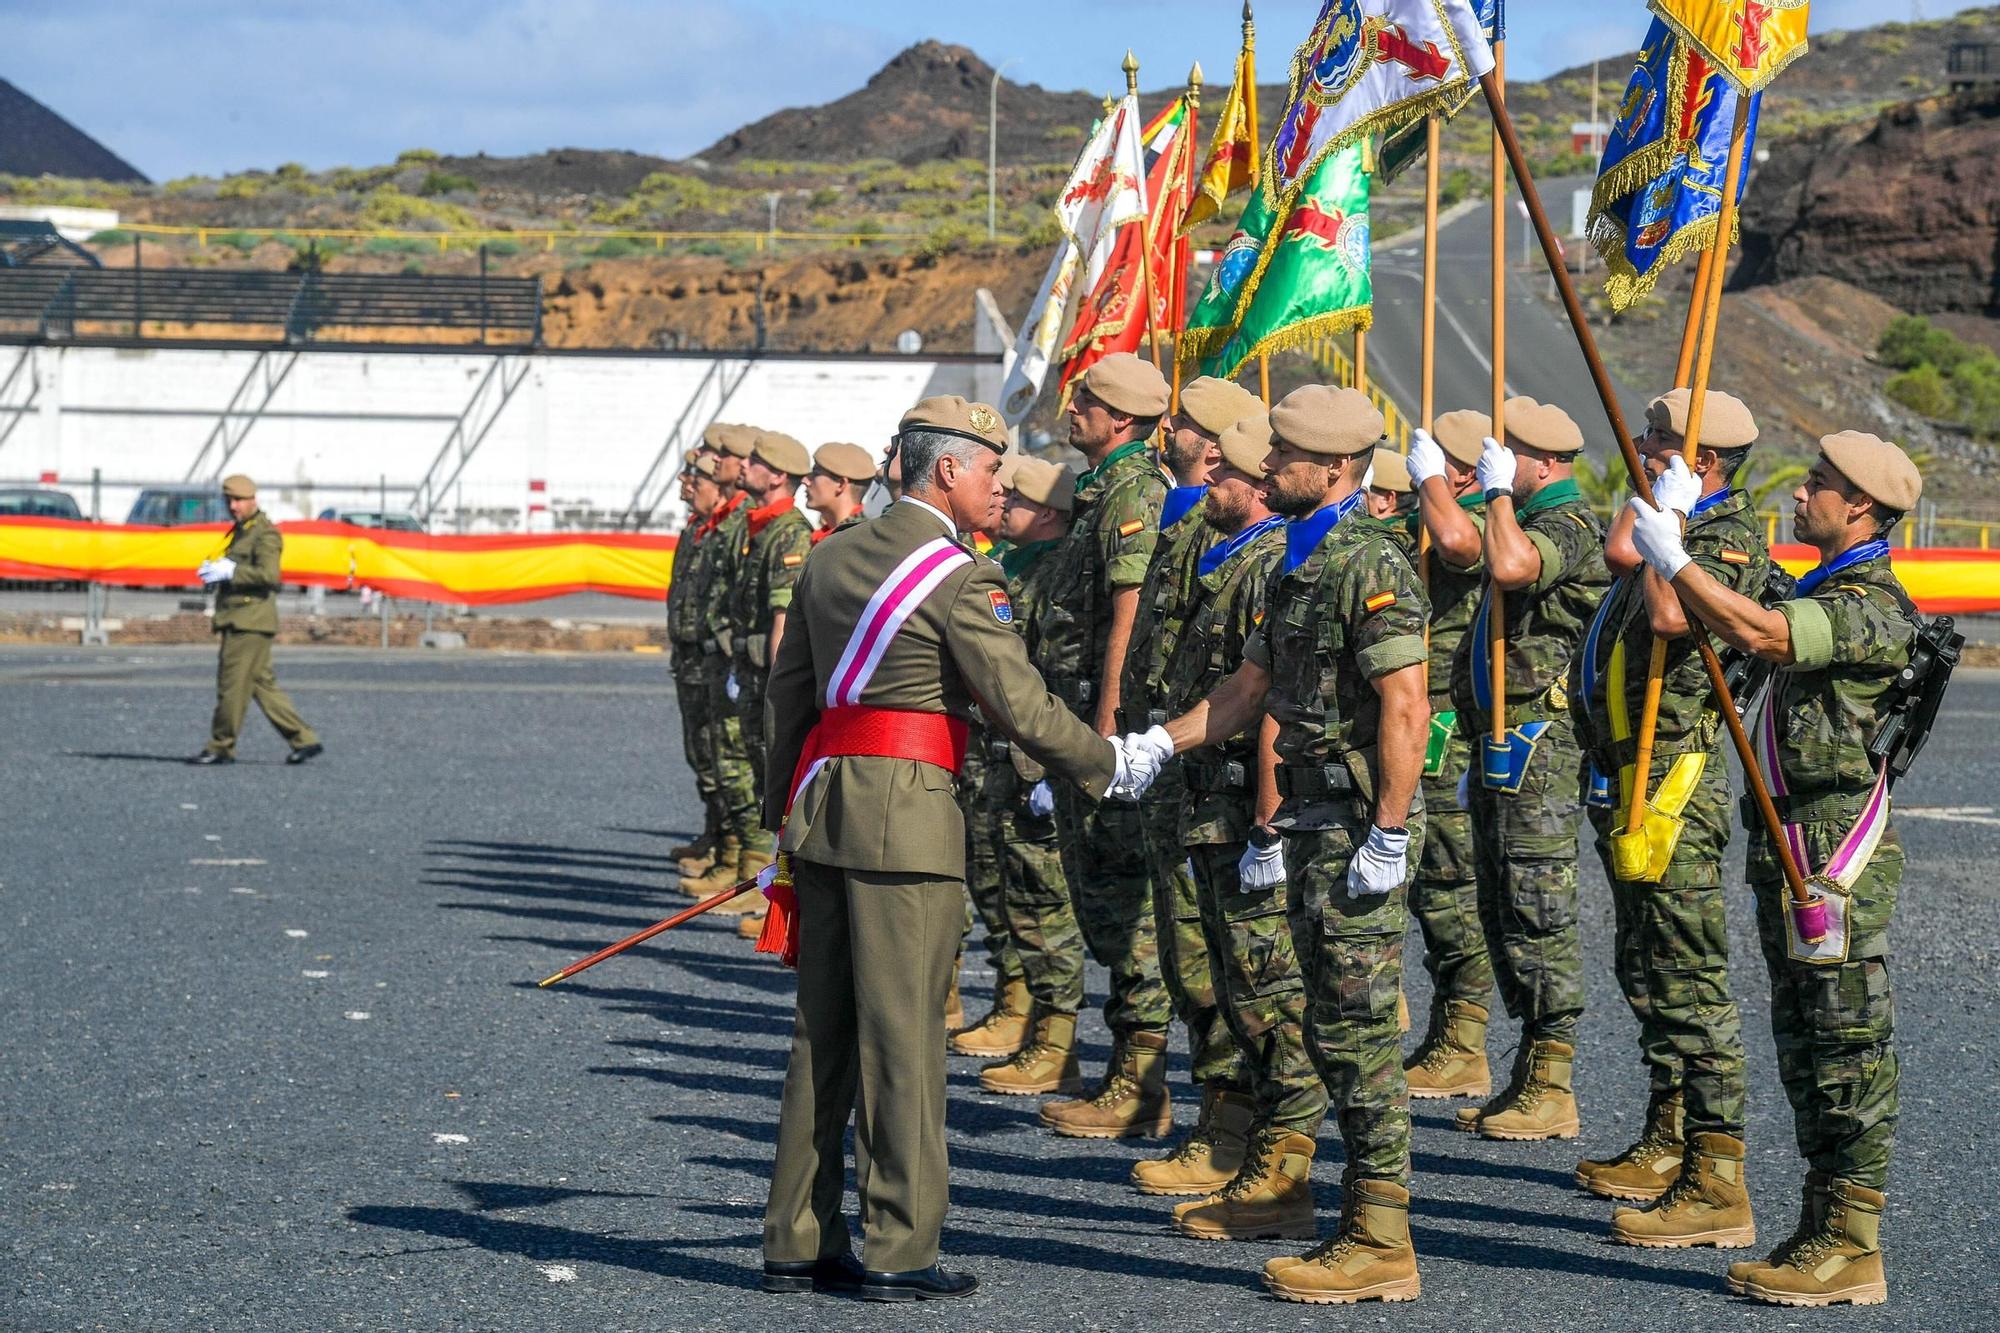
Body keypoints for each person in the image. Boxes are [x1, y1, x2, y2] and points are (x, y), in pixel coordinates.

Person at [758, 395, 1151, 1302]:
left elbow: (791, 703)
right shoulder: (960, 577)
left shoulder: (828, 557)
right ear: (946, 470)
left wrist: (787, 817)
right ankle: (899, 1246)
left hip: (825, 814)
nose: (999, 484)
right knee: (903, 1041)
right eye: (990, 468)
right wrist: (1110, 764)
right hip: (910, 821)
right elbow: (1023, 707)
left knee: (823, 1034)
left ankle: (796, 1235)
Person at [1125, 385, 1432, 1303]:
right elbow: (1248, 689)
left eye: (1285, 459)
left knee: (1361, 1033)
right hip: (1309, 823)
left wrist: (1388, 829)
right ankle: (1318, 1201)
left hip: (1348, 827)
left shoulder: (1370, 561)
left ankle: (1382, 1238)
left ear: (1334, 469)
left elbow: (1405, 702)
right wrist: (1156, 743)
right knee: (1327, 1027)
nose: (1265, 470)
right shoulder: (1308, 560)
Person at [1627, 430, 1924, 1308]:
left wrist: (1677, 560)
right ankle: (1821, 1224)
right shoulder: (1825, 583)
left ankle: (1855, 1243)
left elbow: (1761, 631)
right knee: (1804, 1046)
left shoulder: (1873, 603)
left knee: (1848, 1047)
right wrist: (1679, 525)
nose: (1801, 495)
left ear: (1860, 508)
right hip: (1791, 845)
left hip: (1834, 856)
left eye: (1819, 486)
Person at [1574, 389, 1767, 1247]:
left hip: (1675, 787)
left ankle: (1717, 1178)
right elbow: (1624, 550)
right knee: (1644, 964)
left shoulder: (1724, 540)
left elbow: (1664, 612)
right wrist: (1662, 507)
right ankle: (1671, 1136)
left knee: (1690, 979)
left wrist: (1675, 526)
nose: (1640, 448)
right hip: (1630, 776)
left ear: (1705, 462)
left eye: (1654, 440)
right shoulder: (1676, 521)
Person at [1151, 413, 1325, 1238]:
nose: (1206, 484)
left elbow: (1269, 708)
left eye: (1224, 475)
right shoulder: (1236, 555)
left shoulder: (1272, 566)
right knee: (1231, 981)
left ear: (1257, 484)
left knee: (1269, 994)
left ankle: (1283, 1174)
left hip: (1243, 809)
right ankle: (1246, 1145)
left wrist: (1265, 823)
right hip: (1207, 800)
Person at [1449, 398, 1610, 1142]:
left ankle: (1554, 1080)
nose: (1495, 457)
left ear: (1543, 463)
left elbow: (1509, 565)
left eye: (1509, 451)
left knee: (1537, 902)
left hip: (1541, 745)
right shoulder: (1530, 514)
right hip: (1500, 739)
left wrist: (1497, 495)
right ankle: (1528, 1069)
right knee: (1502, 901)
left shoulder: (1570, 525)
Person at [1120, 374, 1265, 1185]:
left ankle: (1240, 1131)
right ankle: (1219, 1117)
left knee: (1236, 969)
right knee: (1188, 955)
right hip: (1180, 777)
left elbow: (1259, 691)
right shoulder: (1194, 532)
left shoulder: (1266, 554)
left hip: (1230, 787)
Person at [1031, 352, 1177, 1140]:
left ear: (1122, 419)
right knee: (1101, 897)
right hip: (1077, 717)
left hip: (1104, 725)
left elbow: (1128, 609)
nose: (1074, 406)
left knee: (1125, 904)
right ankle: (1132, 1073)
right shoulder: (1100, 489)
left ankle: (1142, 1085)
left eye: (1087, 399)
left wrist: (1108, 723)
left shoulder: (1131, 492)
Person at [976, 457, 1094, 1094]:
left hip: (1035, 757)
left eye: (1014, 497)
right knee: (1011, 889)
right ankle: (1030, 1019)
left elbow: (1057, 673)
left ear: (1048, 510)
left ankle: (1056, 1041)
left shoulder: (1056, 572)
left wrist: (1055, 761)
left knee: (1044, 900)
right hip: (1004, 750)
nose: (1002, 503)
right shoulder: (1011, 564)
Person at [1400, 414, 1499, 1098]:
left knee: (1450, 883)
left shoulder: (1480, 518)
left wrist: (1431, 479)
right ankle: (1445, 1027)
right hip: (1418, 713)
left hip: (1452, 722)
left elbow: (1462, 546)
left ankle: (1465, 1039)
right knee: (1428, 887)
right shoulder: (1426, 513)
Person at [687, 429, 812, 910]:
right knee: (741, 769)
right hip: (743, 665)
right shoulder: (757, 525)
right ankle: (744, 871)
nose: (743, 466)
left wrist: (781, 689)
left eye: (754, 461)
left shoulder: (788, 531)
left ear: (777, 474)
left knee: (766, 780)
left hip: (764, 675)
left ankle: (760, 886)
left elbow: (782, 619)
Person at [191, 473, 322, 766]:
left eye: (238, 500)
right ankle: (304, 738)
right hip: (241, 617)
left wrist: (230, 573)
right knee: (262, 685)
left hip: (248, 621)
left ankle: (221, 745)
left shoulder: (264, 534)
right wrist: (216, 572)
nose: (233, 506)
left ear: (253, 500)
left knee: (231, 686)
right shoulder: (241, 531)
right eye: (229, 501)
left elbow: (269, 576)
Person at [678, 423, 756, 886]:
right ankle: (726, 849)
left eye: (717, 457)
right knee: (710, 757)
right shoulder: (714, 524)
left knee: (736, 765)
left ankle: (745, 867)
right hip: (704, 656)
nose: (709, 464)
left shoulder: (746, 522)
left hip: (734, 661)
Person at [668, 453, 730, 862]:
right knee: (700, 751)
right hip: (689, 656)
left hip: (717, 658)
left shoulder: (725, 530)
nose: (686, 484)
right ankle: (716, 834)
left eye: (696, 478)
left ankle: (733, 848)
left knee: (723, 755)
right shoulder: (696, 528)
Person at [806, 442, 875, 542]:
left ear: (841, 484)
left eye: (816, 474)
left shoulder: (858, 538)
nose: (805, 481)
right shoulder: (833, 536)